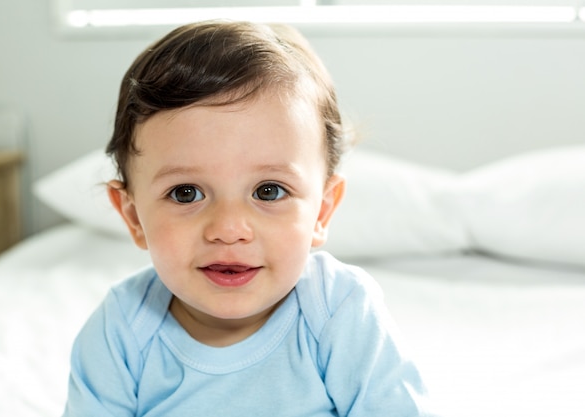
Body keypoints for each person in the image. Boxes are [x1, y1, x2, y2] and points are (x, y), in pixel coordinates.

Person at [63, 20, 438, 417]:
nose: (228, 230)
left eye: (268, 191)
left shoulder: (339, 311)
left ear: (322, 211)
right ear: (133, 216)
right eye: (186, 193)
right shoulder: (120, 332)